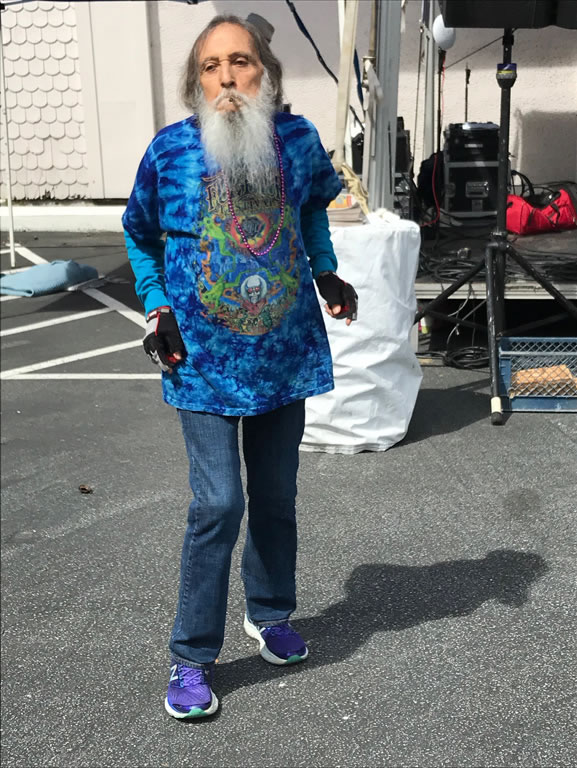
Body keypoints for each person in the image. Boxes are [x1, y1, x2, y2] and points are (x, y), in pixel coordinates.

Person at [122, 14, 358, 720]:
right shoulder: (169, 152)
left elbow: (311, 211)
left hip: (282, 355)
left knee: (277, 496)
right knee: (219, 504)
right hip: (200, 360)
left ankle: (270, 612)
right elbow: (138, 233)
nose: (226, 77)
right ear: (195, 82)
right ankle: (191, 656)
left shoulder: (297, 140)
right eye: (211, 65)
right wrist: (157, 308)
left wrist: (325, 270)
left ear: (266, 73)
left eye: (241, 62)